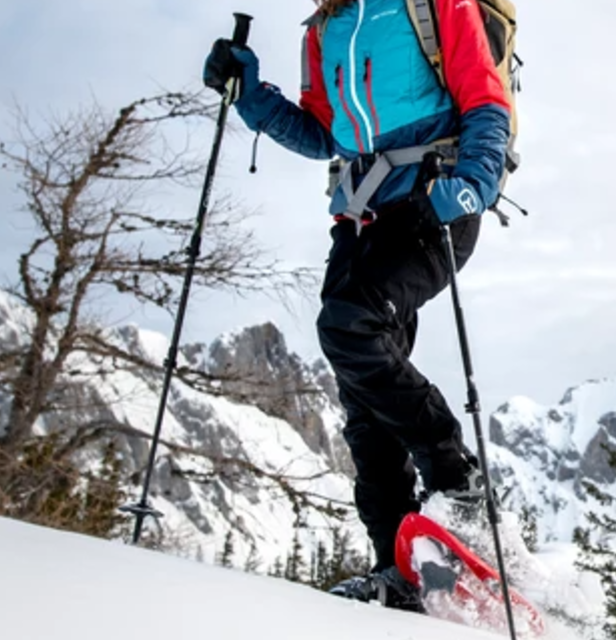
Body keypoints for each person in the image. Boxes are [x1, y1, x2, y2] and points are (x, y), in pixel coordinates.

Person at [202, 0, 513, 609]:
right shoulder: (324, 29)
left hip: (435, 203)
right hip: (362, 215)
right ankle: (399, 568)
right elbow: (324, 133)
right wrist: (249, 93)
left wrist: (474, 183)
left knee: (351, 327)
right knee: (362, 394)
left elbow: (485, 100)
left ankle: (459, 483)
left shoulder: (433, 5)